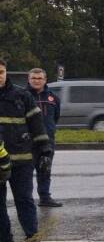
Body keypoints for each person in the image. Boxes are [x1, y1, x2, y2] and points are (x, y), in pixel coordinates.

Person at [0, 59, 52, 242]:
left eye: (2, 71)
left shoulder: (22, 96)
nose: (0, 76)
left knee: (25, 203)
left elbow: (37, 126)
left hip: (21, 162)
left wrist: (45, 151)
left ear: (6, 73)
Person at [27, 68, 62, 207]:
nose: (36, 81)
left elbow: (56, 117)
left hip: (47, 141)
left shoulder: (53, 98)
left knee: (45, 169)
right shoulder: (23, 96)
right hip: (28, 142)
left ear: (45, 80)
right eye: (33, 78)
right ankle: (26, 200)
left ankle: (45, 198)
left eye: (39, 78)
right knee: (26, 173)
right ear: (29, 80)